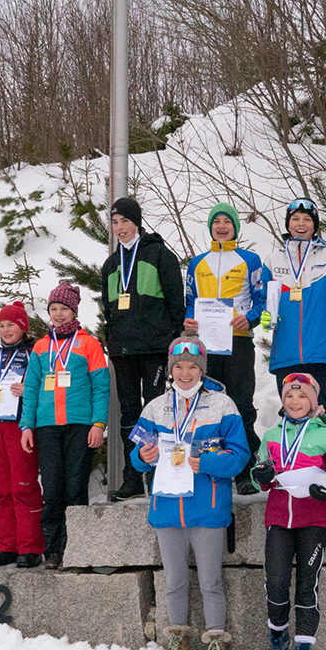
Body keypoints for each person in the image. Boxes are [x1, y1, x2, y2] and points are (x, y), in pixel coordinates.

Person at [131, 329, 249, 650]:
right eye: (179, 366)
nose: (185, 373)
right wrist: (144, 455)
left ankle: (215, 644)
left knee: (211, 580)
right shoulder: (156, 407)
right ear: (171, 369)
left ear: (202, 369)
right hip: (167, 507)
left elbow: (240, 456)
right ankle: (177, 642)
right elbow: (136, 457)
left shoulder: (222, 404)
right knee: (175, 581)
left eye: (192, 366)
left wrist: (208, 462)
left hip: (207, 507)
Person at [250, 372, 326, 650]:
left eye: (302, 396)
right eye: (290, 396)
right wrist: (261, 475)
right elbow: (259, 476)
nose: (295, 402)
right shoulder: (270, 436)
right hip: (279, 517)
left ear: (313, 401)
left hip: (314, 520)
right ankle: (278, 641)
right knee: (276, 584)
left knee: (308, 588)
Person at [20, 282, 110, 569]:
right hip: (47, 426)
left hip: (80, 424)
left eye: (64, 309)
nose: (59, 314)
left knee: (75, 487)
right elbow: (31, 388)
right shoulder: (40, 346)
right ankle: (54, 550)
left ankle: (78, 548)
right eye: (54, 309)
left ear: (74, 311)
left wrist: (99, 423)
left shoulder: (89, 343)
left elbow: (101, 386)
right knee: (53, 489)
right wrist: (26, 426)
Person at [102, 197, 185, 503]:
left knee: (154, 410)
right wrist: (113, 338)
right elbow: (108, 310)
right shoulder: (110, 265)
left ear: (136, 222)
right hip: (123, 350)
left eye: (124, 221)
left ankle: (159, 473)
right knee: (129, 413)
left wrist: (174, 340)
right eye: (115, 222)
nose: (120, 228)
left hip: (154, 348)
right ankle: (133, 477)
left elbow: (176, 302)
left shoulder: (159, 255)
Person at [184, 202, 263, 494]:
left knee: (241, 405)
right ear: (210, 227)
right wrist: (188, 319)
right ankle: (211, 466)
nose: (221, 226)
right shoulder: (197, 263)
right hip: (205, 347)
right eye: (215, 221)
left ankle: (244, 470)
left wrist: (250, 318)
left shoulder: (250, 260)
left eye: (226, 221)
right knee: (206, 407)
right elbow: (189, 300)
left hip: (238, 343)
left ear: (235, 227)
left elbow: (261, 300)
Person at [259, 198, 326, 425]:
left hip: (320, 354)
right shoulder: (273, 260)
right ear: (288, 224)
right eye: (295, 219)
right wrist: (265, 315)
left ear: (315, 224)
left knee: (323, 413)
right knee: (291, 414)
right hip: (286, 356)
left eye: (307, 219)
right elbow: (264, 301)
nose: (301, 224)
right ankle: (293, 461)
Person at [0, 301, 44, 568]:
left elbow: (42, 386)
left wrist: (28, 392)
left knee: (23, 485)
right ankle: (7, 544)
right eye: (1, 326)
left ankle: (31, 546)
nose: (5, 330)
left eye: (11, 324)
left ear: (23, 326)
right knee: (1, 487)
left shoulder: (34, 352)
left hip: (20, 423)